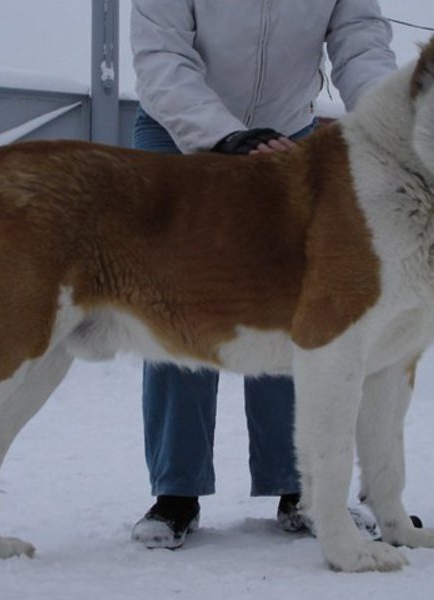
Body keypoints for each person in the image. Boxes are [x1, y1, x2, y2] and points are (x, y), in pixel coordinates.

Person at [129, 0, 397, 549]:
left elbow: (360, 43)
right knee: (182, 307)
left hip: (286, 138)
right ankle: (176, 491)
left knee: (295, 310)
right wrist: (222, 135)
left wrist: (388, 123)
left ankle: (298, 486)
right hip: (178, 132)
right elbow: (162, 56)